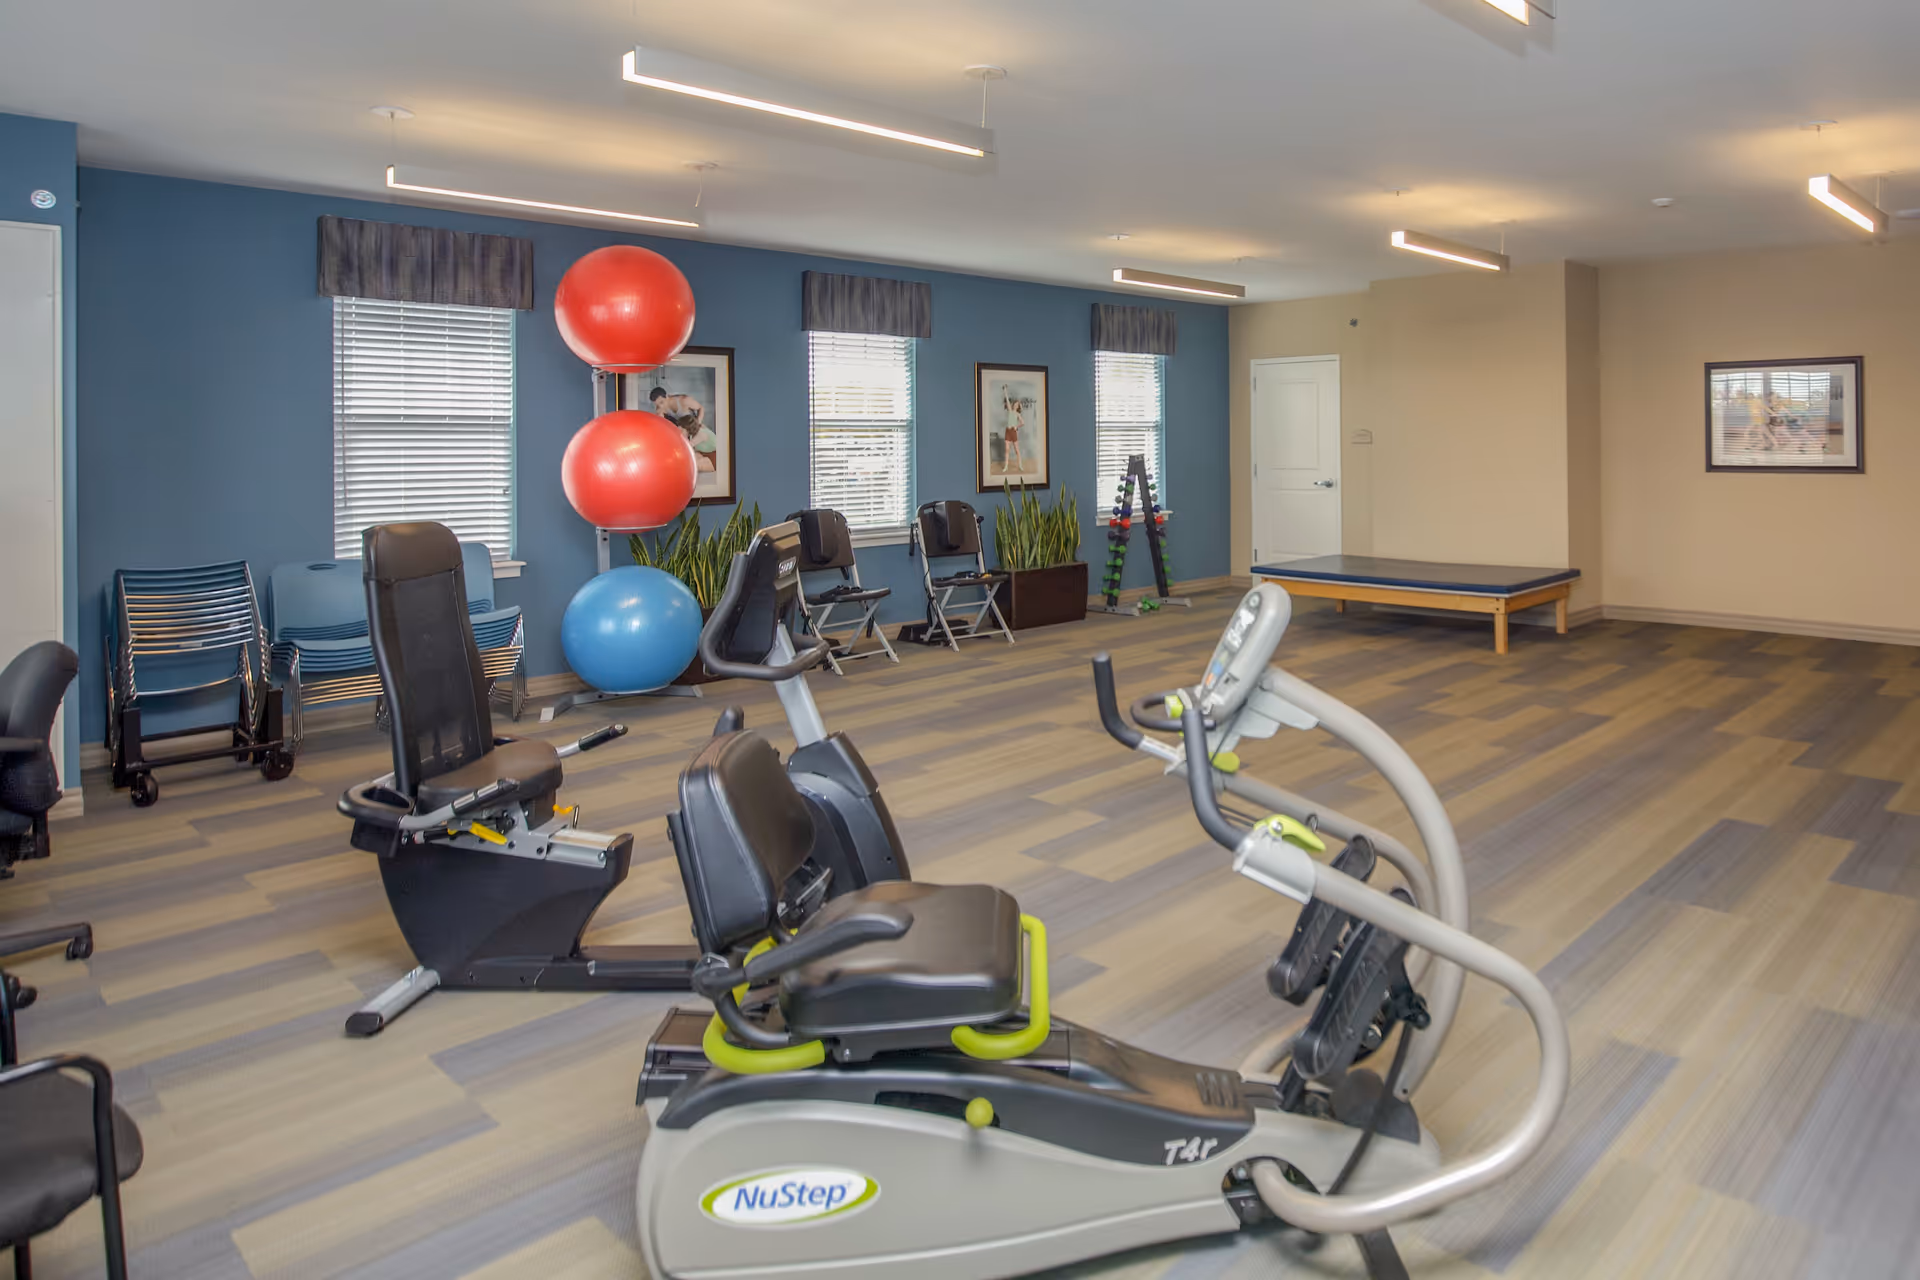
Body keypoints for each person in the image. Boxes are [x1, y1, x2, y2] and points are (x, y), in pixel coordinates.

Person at [651, 385, 718, 473]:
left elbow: (701, 408)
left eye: (661, 402)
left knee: (690, 462)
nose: (660, 406)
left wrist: (698, 423)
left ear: (667, 396)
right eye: (657, 404)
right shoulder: (660, 410)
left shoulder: (684, 400)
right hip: (685, 430)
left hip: (692, 426)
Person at [999, 384, 1027, 475]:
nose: (1015, 405)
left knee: (1017, 450)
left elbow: (1023, 422)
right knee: (1007, 450)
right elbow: (1007, 399)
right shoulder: (1010, 410)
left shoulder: (1018, 414)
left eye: (1017, 405)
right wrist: (1005, 390)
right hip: (1008, 431)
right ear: (1013, 404)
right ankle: (1006, 466)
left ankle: (1020, 465)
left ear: (1018, 407)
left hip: (1013, 432)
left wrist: (1016, 427)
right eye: (1015, 404)